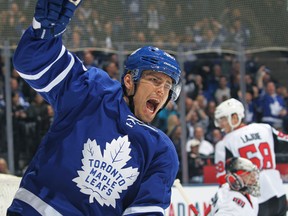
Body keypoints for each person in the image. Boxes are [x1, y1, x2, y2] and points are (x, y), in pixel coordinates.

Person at [7, 0, 182, 215]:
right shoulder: (93, 91)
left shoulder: (161, 150)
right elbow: (32, 62)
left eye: (168, 86)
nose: (162, 91)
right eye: (155, 80)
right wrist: (43, 33)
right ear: (129, 81)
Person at [214, 98, 288, 216]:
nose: (221, 124)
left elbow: (224, 180)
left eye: (223, 119)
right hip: (279, 194)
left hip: (256, 200)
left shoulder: (225, 143)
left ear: (234, 117)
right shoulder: (265, 128)